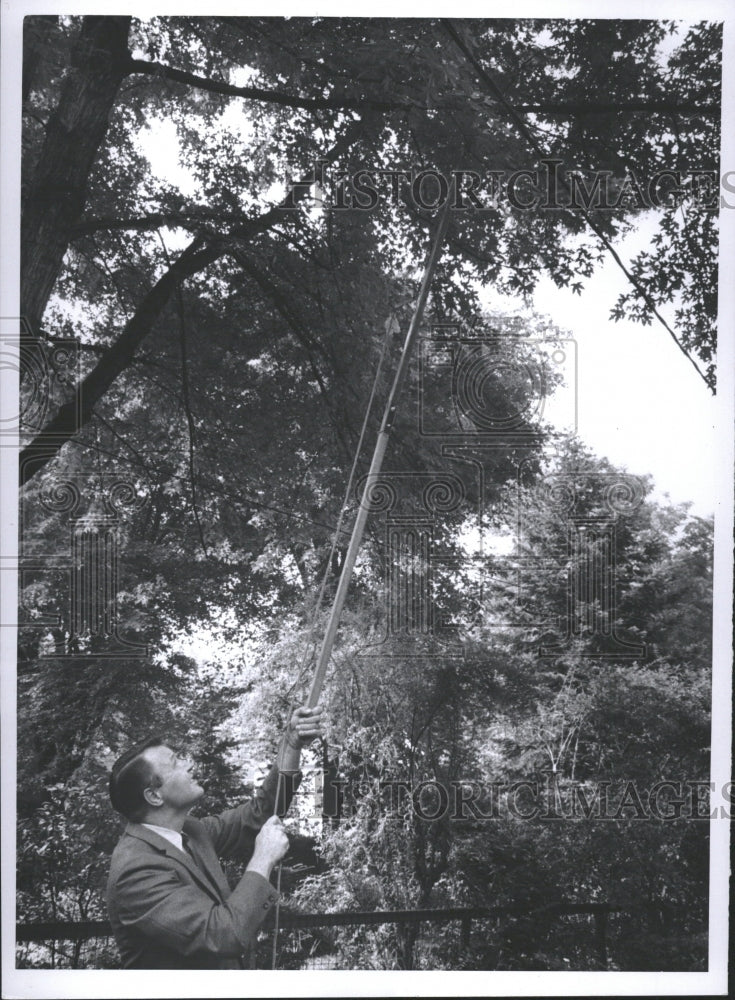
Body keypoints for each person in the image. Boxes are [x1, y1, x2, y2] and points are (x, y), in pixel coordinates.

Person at [106, 704, 324, 969]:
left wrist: (291, 745)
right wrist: (263, 858)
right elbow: (223, 936)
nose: (190, 764)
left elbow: (261, 812)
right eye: (176, 762)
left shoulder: (193, 832)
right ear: (154, 796)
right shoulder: (135, 870)